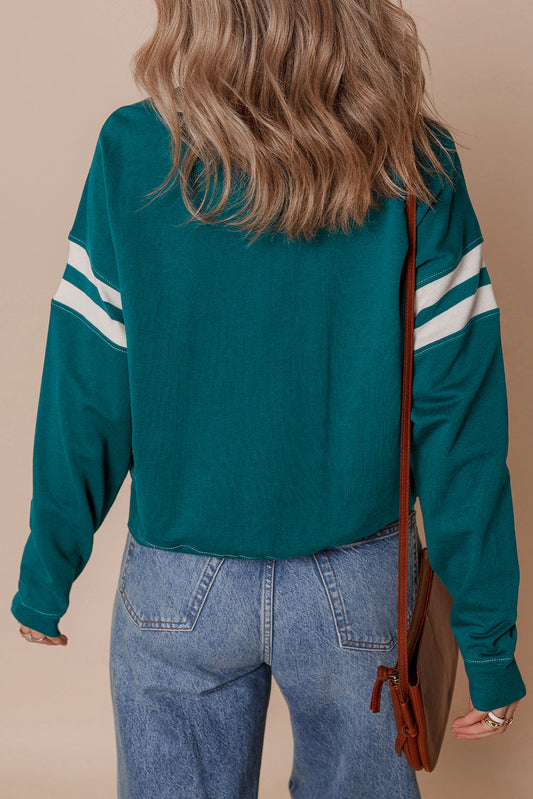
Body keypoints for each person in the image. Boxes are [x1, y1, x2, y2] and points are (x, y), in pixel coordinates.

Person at [12, 1, 526, 797]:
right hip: (357, 579)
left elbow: (88, 382)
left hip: (177, 580)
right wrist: (487, 642)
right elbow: (458, 420)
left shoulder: (133, 148)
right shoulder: (415, 160)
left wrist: (48, 566)